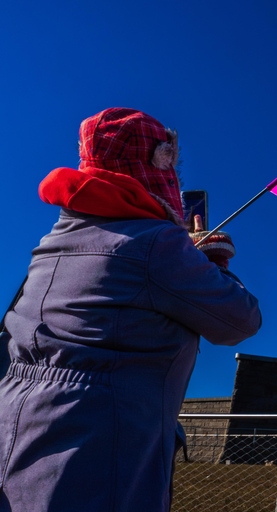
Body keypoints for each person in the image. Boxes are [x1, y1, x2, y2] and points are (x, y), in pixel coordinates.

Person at [0, 108, 262, 512]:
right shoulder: (157, 243)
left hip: (15, 443)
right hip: (99, 458)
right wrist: (212, 263)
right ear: (154, 164)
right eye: (171, 164)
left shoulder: (52, 241)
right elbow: (240, 320)